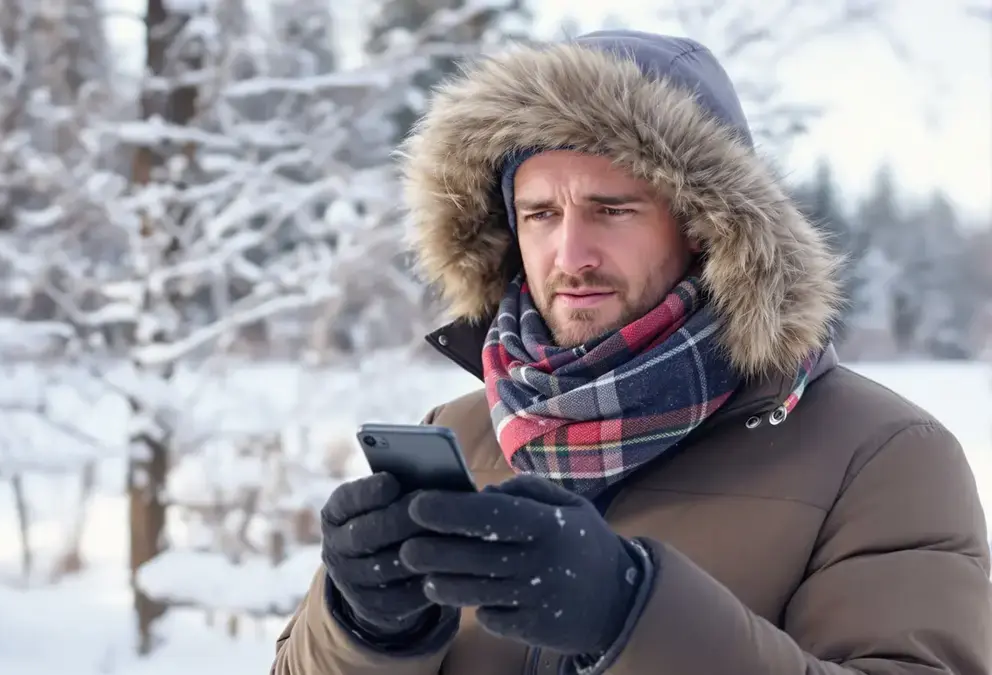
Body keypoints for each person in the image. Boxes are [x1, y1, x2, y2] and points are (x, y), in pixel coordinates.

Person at [270, 30, 992, 675]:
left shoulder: (885, 456)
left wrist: (632, 613)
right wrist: (365, 628)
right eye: (540, 214)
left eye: (613, 210)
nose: (570, 254)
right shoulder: (463, 430)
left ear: (708, 227)